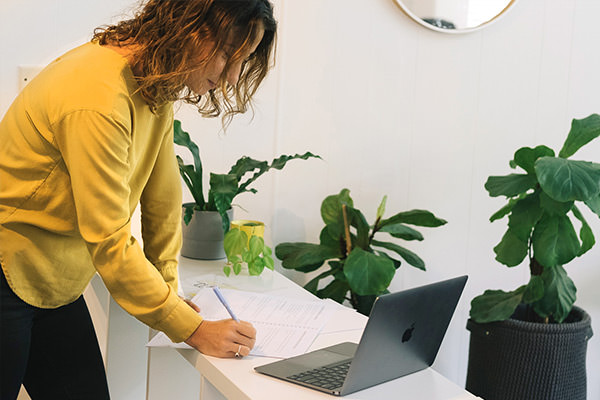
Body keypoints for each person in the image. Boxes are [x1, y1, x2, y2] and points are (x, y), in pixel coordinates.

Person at [0, 0, 277, 398]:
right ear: (193, 29)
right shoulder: (97, 96)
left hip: (51, 277)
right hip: (8, 266)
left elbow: (162, 198)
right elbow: (110, 241)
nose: (233, 77)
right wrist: (192, 328)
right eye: (228, 57)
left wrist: (170, 292)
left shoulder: (153, 84)